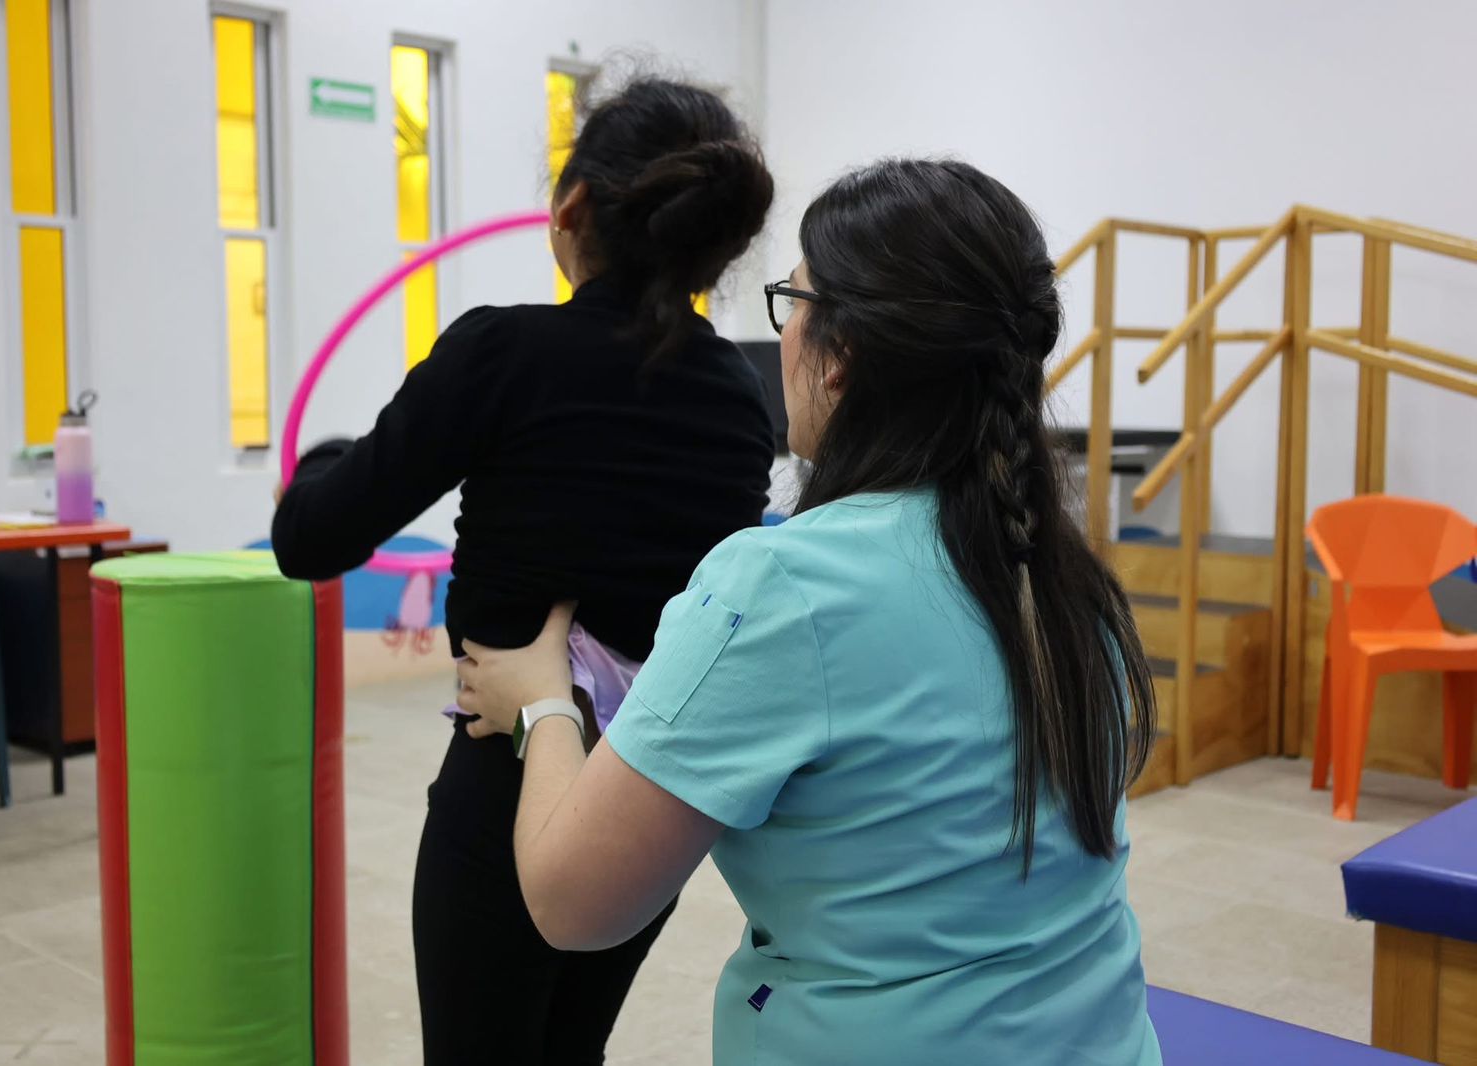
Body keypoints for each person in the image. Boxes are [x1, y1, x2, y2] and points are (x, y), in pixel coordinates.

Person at [456, 158, 1164, 1065]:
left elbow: (571, 904)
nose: (784, 333)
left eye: (793, 299)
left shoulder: (783, 585)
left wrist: (543, 705)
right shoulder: (1066, 576)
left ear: (844, 355)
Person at [270, 78, 776, 1064]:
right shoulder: (739, 395)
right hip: (645, 809)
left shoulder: (503, 352)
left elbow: (311, 539)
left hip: (502, 790)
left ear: (572, 206)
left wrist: (322, 464)